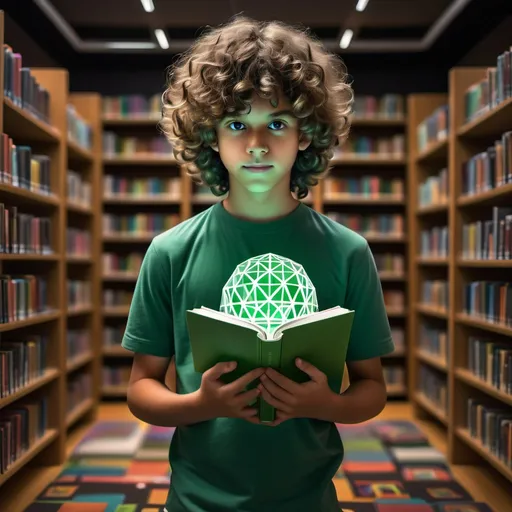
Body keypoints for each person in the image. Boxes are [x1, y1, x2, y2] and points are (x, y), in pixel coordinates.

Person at [122, 15, 395, 512]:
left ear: (306, 133)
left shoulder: (348, 251)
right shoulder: (170, 251)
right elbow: (141, 389)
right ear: (210, 136)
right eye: (235, 125)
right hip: (198, 501)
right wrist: (198, 406)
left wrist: (325, 404)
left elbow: (372, 389)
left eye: (276, 122)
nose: (256, 144)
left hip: (309, 499)